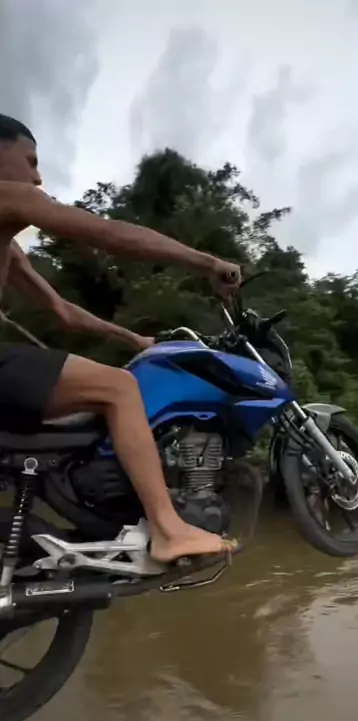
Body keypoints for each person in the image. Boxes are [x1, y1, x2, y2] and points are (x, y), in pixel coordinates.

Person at [0, 113, 241, 565]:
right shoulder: (6, 196)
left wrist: (132, 339)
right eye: (30, 162)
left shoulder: (9, 250)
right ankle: (169, 530)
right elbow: (111, 235)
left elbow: (61, 310)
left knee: (91, 410)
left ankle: (96, 521)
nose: (37, 178)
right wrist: (207, 262)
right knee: (119, 389)